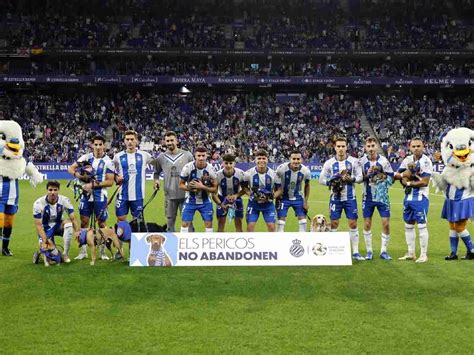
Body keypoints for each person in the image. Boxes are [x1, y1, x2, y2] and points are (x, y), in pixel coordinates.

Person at [67, 135, 115, 260]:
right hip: (85, 195)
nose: (98, 147)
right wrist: (80, 176)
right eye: (96, 144)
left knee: (102, 223)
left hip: (100, 196)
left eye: (100, 144)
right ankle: (83, 252)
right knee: (83, 222)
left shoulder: (108, 161)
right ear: (92, 145)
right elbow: (70, 168)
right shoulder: (86, 158)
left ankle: (102, 252)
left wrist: (92, 184)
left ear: (104, 145)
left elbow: (110, 182)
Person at [319, 137, 364, 260]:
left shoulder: (354, 162)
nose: (341, 148)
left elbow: (360, 177)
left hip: (350, 198)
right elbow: (321, 179)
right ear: (335, 147)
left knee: (353, 223)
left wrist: (351, 179)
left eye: (343, 146)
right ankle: (333, 251)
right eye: (338, 146)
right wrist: (331, 182)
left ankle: (355, 252)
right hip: (335, 198)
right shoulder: (329, 163)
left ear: (346, 147)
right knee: (334, 223)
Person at [394, 137, 432, 263]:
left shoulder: (426, 162)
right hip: (408, 198)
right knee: (408, 226)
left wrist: (408, 182)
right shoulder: (407, 160)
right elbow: (398, 175)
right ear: (410, 147)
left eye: (418, 146)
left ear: (423, 147)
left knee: (421, 226)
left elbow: (425, 182)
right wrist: (405, 176)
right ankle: (411, 253)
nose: (416, 148)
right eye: (414, 146)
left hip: (421, 198)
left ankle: (423, 254)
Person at [151, 131, 194, 232]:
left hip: (186, 195)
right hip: (169, 196)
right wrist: (156, 181)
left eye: (172, 140)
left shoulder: (187, 155)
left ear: (177, 141)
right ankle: (171, 246)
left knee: (188, 222)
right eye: (167, 141)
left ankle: (190, 245)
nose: (170, 143)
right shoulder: (161, 157)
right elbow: (156, 172)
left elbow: (194, 172)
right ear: (164, 142)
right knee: (170, 224)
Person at [360, 137, 394, 260]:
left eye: (373, 146)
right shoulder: (361, 162)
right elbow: (359, 179)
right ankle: (369, 251)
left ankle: (383, 251)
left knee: (385, 223)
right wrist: (367, 175)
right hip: (367, 197)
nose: (371, 149)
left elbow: (391, 179)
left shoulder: (384, 161)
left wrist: (381, 176)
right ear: (365, 148)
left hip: (382, 197)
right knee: (367, 223)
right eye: (368, 146)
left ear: (377, 146)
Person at [32, 180, 79, 265]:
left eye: (55, 190)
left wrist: (77, 231)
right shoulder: (38, 203)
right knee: (52, 259)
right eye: (50, 190)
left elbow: (73, 218)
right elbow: (38, 226)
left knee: (68, 224)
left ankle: (65, 254)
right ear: (47, 191)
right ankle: (40, 253)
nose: (52, 192)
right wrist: (45, 240)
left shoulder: (64, 200)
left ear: (58, 190)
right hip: (45, 228)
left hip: (58, 225)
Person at [113, 130, 154, 222]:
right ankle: (124, 236)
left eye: (132, 139)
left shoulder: (145, 155)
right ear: (124, 141)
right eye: (127, 139)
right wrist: (116, 177)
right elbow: (111, 172)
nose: (130, 142)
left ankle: (135, 236)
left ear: (137, 141)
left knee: (138, 222)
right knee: (121, 220)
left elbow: (157, 166)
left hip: (138, 195)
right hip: (122, 195)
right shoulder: (117, 157)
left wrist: (156, 180)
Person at [179, 146, 218, 233]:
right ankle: (183, 245)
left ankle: (208, 245)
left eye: (203, 156)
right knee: (185, 223)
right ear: (195, 156)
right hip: (190, 200)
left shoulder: (211, 169)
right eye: (199, 155)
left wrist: (202, 187)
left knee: (209, 224)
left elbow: (215, 189)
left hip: (205, 201)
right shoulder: (187, 167)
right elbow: (181, 185)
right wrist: (190, 188)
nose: (201, 158)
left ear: (206, 156)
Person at [243, 149, 280, 232]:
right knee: (250, 226)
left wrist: (271, 197)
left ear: (267, 159)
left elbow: (279, 190)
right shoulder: (248, 173)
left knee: (271, 227)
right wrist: (252, 195)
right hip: (253, 204)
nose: (261, 161)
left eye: (264, 158)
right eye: (259, 158)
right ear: (255, 160)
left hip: (268, 205)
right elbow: (245, 188)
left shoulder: (274, 174)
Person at [274, 150, 311, 232]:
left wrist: (305, 201)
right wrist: (277, 198)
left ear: (301, 160)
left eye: (298, 159)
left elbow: (307, 185)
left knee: (303, 221)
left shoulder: (306, 171)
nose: (296, 161)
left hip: (298, 198)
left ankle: (302, 242)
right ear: (290, 159)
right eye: (294, 159)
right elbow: (276, 185)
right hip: (283, 198)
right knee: (280, 222)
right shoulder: (281, 169)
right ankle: (279, 242)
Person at [212, 154, 246, 232]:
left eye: (231, 163)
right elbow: (213, 194)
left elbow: (245, 189)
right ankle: (220, 242)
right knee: (220, 224)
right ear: (223, 163)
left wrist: (236, 195)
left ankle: (240, 243)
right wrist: (221, 204)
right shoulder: (217, 175)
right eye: (226, 163)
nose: (228, 165)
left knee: (239, 225)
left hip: (237, 200)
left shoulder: (241, 174)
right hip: (222, 199)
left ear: (234, 163)